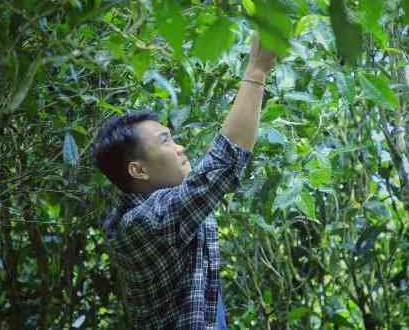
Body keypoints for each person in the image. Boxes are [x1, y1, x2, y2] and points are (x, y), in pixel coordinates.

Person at [93, 35, 276, 329]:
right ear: (138, 170)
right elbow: (221, 165)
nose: (180, 148)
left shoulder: (168, 211)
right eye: (166, 141)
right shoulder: (139, 224)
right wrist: (257, 70)